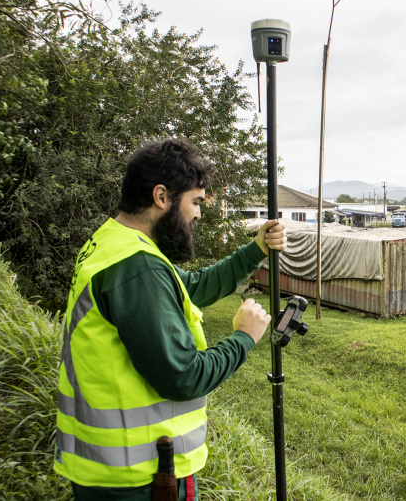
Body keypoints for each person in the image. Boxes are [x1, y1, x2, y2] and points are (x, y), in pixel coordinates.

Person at [54, 138, 287, 500]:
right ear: (161, 196)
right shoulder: (137, 267)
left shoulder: (114, 243)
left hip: (111, 469)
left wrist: (255, 249)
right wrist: (244, 337)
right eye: (194, 202)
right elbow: (184, 376)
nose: (197, 214)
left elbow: (192, 286)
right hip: (141, 478)